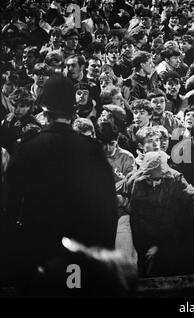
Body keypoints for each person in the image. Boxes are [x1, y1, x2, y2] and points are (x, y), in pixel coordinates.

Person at [1, 74, 118, 294]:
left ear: (44, 111)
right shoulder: (92, 148)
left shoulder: (28, 148)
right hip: (81, 254)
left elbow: (10, 207)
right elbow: (108, 210)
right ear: (72, 111)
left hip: (39, 253)